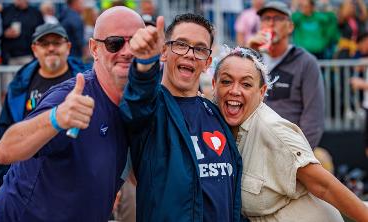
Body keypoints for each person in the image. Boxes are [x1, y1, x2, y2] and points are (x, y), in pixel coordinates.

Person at [0, 6, 144, 221]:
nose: (126, 52)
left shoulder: (138, 102)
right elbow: (5, 151)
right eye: (114, 43)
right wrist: (56, 118)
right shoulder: (69, 96)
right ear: (94, 48)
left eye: (136, 42)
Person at [212, 45, 368, 221]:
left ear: (262, 92)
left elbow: (325, 186)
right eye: (226, 81)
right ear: (214, 84)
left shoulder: (274, 130)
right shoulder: (216, 123)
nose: (234, 90)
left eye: (246, 84)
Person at [121, 13, 244, 222]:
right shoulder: (152, 108)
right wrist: (144, 65)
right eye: (180, 44)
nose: (189, 54)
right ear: (163, 52)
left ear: (207, 62)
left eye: (199, 49)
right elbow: (136, 105)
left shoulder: (215, 113)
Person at [0, 23, 87, 198]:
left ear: (68, 47)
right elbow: (5, 133)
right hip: (32, 181)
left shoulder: (85, 80)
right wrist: (1, 187)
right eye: (44, 43)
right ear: (35, 49)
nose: (51, 48)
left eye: (57, 43)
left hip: (77, 175)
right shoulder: (20, 85)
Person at [248, 1, 324, 149]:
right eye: (265, 19)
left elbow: (313, 120)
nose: (270, 23)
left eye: (277, 18)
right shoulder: (252, 60)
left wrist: (297, 158)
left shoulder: (305, 62)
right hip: (253, 147)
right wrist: (248, 51)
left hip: (288, 150)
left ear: (290, 27)